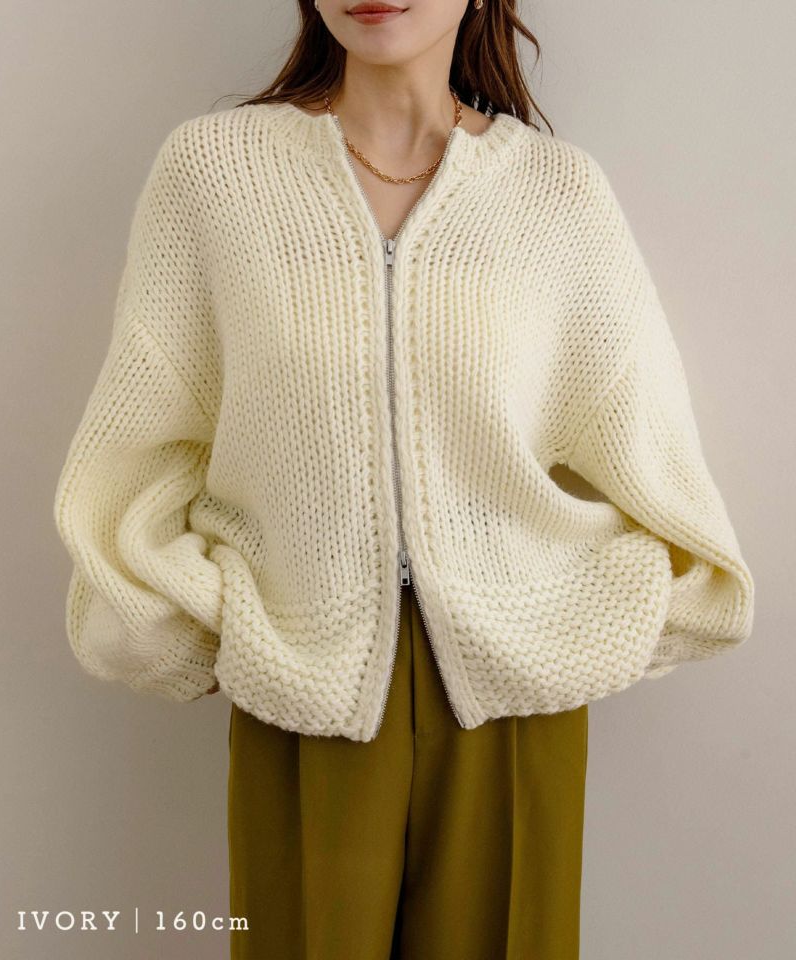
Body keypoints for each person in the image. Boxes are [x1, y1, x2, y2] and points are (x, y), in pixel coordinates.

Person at [52, 1, 755, 957]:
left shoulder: (556, 194)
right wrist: (200, 627)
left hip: (514, 700)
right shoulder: (215, 175)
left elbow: (658, 464)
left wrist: (598, 620)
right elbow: (140, 443)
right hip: (301, 679)